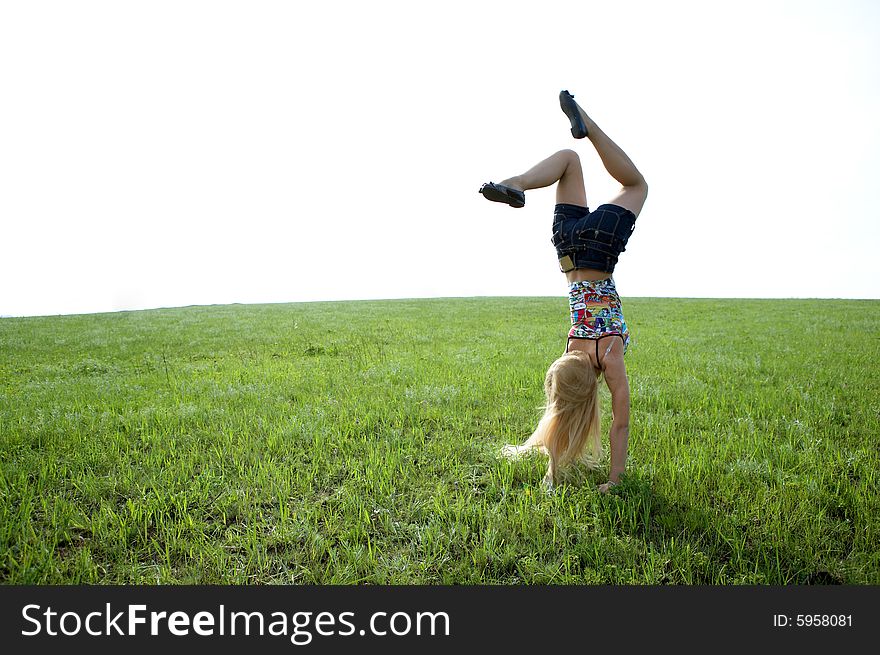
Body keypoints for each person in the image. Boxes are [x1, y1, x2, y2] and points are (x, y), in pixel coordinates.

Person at [481, 90, 648, 493]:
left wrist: (614, 479)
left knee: (637, 185)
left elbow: (621, 423)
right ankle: (524, 176)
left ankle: (572, 140)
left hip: (600, 251)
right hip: (568, 247)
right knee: (570, 162)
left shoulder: (610, 354)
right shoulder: (572, 343)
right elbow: (563, 403)